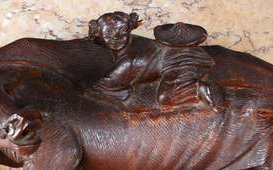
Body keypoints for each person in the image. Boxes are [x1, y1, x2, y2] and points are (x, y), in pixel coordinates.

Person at [89, 11, 219, 107]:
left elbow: (106, 85)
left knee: (166, 98)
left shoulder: (129, 61)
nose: (116, 37)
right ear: (98, 33)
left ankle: (197, 88)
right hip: (171, 57)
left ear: (129, 30)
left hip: (179, 61)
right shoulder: (130, 44)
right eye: (109, 33)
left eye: (122, 31)